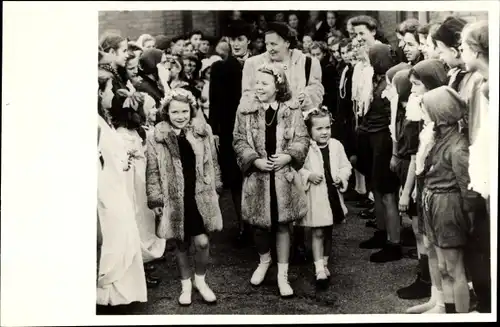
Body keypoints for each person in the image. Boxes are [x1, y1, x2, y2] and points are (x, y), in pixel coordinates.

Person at [240, 21, 324, 263]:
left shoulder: (308, 62)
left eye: (274, 44)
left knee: (296, 186)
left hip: (297, 133)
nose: (270, 48)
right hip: (264, 133)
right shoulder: (253, 64)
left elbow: (318, 90)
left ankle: (296, 241)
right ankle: (265, 248)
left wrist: (305, 96)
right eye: (266, 44)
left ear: (288, 42)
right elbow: (246, 96)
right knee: (265, 190)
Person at [233, 63, 309, 297]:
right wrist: (254, 160)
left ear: (278, 85)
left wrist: (288, 156)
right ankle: (264, 260)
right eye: (257, 83)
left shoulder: (291, 108)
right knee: (259, 225)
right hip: (258, 176)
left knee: (283, 224)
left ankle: (282, 274)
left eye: (264, 83)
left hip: (283, 177)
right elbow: (238, 140)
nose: (259, 87)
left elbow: (302, 138)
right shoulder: (245, 109)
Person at [146, 88, 223, 306]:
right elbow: (152, 171)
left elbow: (213, 162)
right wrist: (156, 199)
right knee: (180, 244)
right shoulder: (157, 137)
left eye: (185, 111)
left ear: (191, 110)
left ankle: (200, 280)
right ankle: (185, 285)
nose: (180, 116)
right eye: (175, 112)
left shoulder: (202, 131)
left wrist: (216, 185)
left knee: (201, 242)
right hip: (174, 198)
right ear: (166, 113)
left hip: (198, 195)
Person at [419, 86, 475, 314]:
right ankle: (449, 312)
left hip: (447, 206)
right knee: (443, 267)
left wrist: (468, 219)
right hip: (434, 202)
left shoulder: (457, 147)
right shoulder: (438, 138)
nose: (424, 115)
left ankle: (460, 314)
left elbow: (466, 189)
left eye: (428, 111)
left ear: (439, 116)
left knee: (455, 269)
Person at [97, 69, 147, 308]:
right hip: (108, 186)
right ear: (99, 92)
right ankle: (110, 294)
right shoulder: (98, 124)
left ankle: (122, 293)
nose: (110, 94)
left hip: (116, 182)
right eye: (107, 89)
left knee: (123, 234)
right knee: (116, 236)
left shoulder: (103, 119)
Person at [404, 59, 450, 313]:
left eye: (416, 85)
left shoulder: (441, 112)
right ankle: (436, 296)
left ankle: (445, 302)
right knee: (429, 243)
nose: (412, 90)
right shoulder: (420, 109)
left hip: (438, 186)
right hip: (424, 183)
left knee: (440, 246)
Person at [111, 89, 167, 288]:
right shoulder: (122, 137)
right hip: (132, 187)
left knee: (146, 222)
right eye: (150, 109)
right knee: (138, 223)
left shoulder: (135, 132)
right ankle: (139, 266)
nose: (154, 112)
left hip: (142, 185)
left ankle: (146, 261)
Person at [209, 21, 253, 247]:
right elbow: (215, 102)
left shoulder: (259, 64)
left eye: (240, 39)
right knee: (236, 179)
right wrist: (215, 132)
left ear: (249, 41)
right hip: (229, 130)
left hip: (256, 127)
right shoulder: (219, 68)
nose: (235, 44)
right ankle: (244, 224)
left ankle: (260, 223)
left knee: (257, 174)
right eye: (231, 40)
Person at [356, 44, 401, 263]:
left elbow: (390, 118)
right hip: (373, 140)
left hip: (384, 140)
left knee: (387, 192)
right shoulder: (375, 78)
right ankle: (382, 233)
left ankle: (394, 243)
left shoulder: (390, 82)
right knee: (376, 188)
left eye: (371, 59)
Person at [299, 107, 352, 288]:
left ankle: (325, 262)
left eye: (327, 128)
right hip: (316, 197)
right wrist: (309, 175)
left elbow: (346, 166)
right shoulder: (306, 148)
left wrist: (342, 177)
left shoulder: (336, 146)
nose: (324, 132)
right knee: (318, 231)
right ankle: (318, 267)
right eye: (319, 129)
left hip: (332, 195)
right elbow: (297, 169)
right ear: (310, 130)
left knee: (329, 231)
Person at [460, 20, 491, 313]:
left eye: (463, 45)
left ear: (476, 48)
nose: (460, 51)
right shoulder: (480, 84)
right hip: (481, 182)